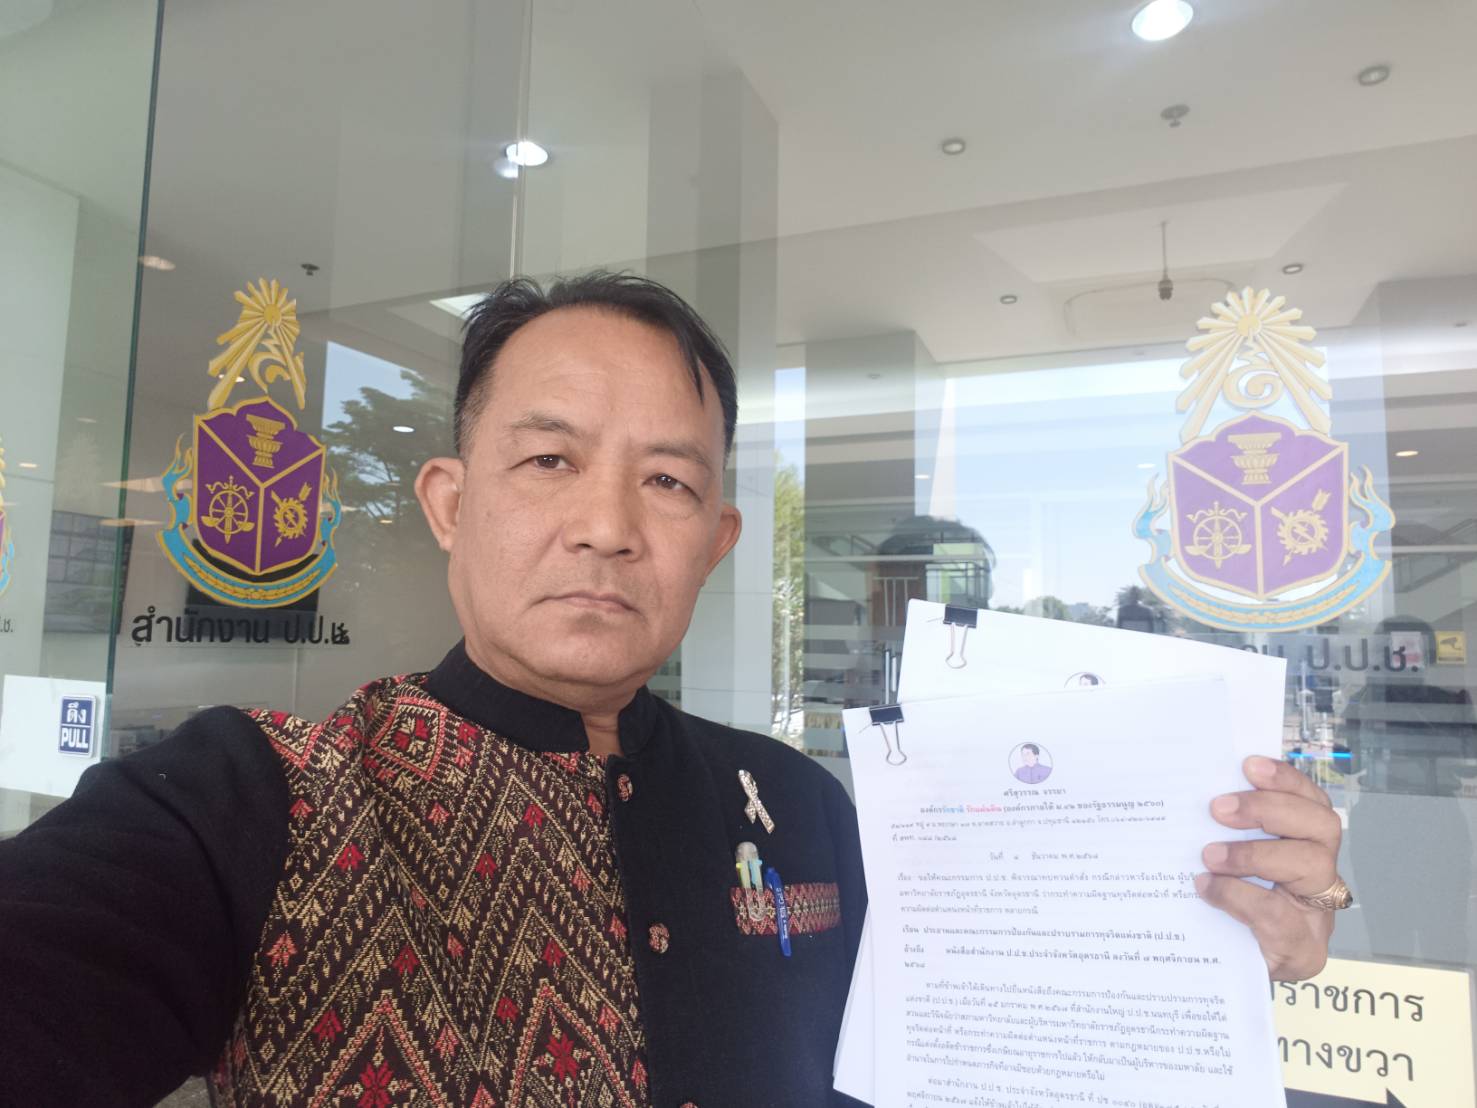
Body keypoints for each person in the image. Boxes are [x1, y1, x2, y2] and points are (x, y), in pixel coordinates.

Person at [0, 272, 1347, 1107]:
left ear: (716, 540)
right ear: (450, 504)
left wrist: (1215, 946)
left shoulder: (804, 809)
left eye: (666, 479)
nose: (606, 526)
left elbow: (982, 1050)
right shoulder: (250, 798)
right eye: (548, 462)